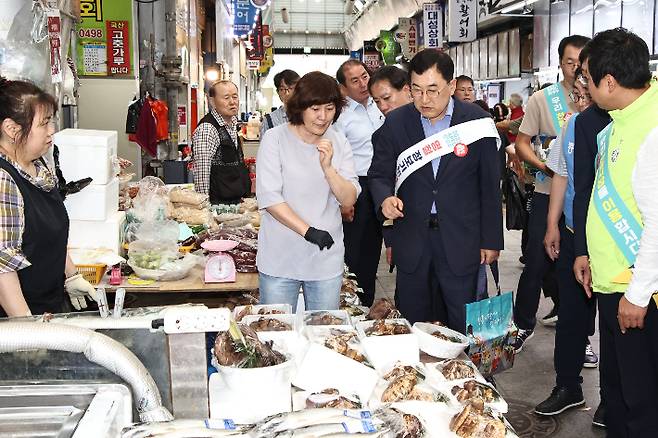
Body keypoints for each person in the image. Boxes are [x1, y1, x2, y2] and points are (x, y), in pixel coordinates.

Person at [368, 49, 503, 333]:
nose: (424, 100)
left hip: (461, 240)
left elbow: (490, 187)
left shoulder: (477, 123)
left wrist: (492, 240)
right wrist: (384, 199)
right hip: (413, 238)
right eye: (416, 91)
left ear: (451, 86)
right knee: (412, 321)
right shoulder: (397, 122)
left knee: (462, 323)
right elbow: (379, 174)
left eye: (433, 90)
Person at [574, 28, 658, 438]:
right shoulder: (620, 120)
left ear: (609, 81)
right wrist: (591, 253)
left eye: (586, 77)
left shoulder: (652, 128)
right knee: (618, 390)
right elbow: (608, 194)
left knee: (642, 401)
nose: (581, 85)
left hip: (639, 294)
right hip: (615, 283)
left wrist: (637, 295)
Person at [256, 71, 360, 311]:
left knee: (323, 332)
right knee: (277, 333)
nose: (323, 117)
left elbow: (349, 198)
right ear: (300, 107)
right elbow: (270, 198)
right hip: (280, 256)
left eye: (330, 108)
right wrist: (309, 231)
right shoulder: (275, 139)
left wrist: (328, 169)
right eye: (315, 109)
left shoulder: (339, 141)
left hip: (325, 258)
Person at [512, 35, 590, 352]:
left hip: (586, 198)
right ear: (560, 63)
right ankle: (521, 324)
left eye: (581, 63)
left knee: (580, 269)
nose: (575, 69)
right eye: (570, 62)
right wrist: (544, 168)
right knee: (535, 262)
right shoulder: (543, 101)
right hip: (548, 193)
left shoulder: (599, 99)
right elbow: (521, 143)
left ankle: (581, 337)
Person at [0, 78, 99, 317]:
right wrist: (29, 332)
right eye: (44, 123)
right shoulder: (4, 179)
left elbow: (49, 234)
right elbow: (2, 269)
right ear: (12, 129)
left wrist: (72, 274)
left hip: (47, 307)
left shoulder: (39, 165)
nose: (52, 130)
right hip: (19, 317)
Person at [535, 68, 601, 418]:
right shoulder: (572, 125)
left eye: (584, 91)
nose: (579, 99)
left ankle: (610, 398)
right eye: (576, 92)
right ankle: (568, 386)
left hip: (611, 242)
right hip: (575, 236)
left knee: (612, 321)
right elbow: (561, 174)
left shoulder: (622, 124)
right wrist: (552, 225)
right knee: (572, 315)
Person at [334, 60, 385, 307]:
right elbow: (336, 158)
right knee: (354, 251)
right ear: (343, 87)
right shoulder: (340, 115)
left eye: (365, 76)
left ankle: (367, 305)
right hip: (357, 186)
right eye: (355, 80)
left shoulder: (381, 105)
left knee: (374, 250)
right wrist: (345, 199)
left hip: (383, 184)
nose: (364, 83)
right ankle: (350, 305)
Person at [368, 66, 413, 270]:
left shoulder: (438, 126)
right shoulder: (381, 136)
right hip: (407, 228)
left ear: (407, 90)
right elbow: (383, 182)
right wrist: (390, 240)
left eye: (387, 98)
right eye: (377, 102)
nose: (383, 106)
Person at [192, 80, 250, 205]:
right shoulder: (207, 129)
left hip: (235, 204)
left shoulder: (232, 125)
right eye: (226, 98)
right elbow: (202, 174)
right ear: (212, 101)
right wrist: (204, 208)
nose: (232, 102)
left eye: (235, 97)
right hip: (217, 206)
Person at [260, 69, 300, 138]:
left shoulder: (307, 116)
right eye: (282, 89)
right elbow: (264, 146)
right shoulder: (269, 120)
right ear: (278, 92)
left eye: (291, 88)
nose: (287, 93)